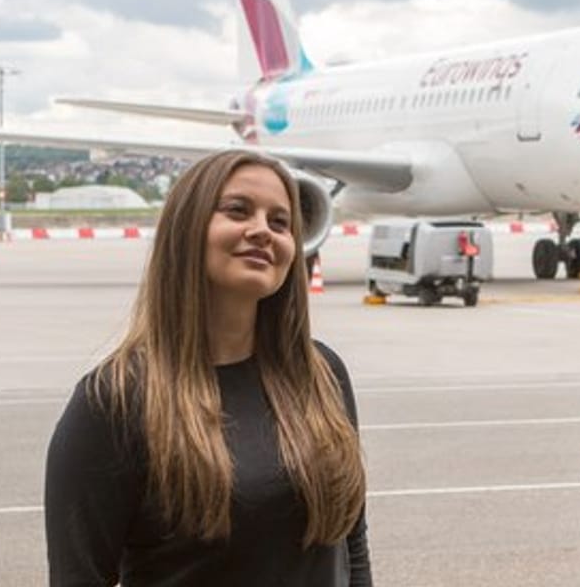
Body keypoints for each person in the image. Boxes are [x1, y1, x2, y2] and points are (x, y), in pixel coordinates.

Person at [45, 150, 371, 586]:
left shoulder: (322, 374)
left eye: (280, 222)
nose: (262, 231)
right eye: (238, 211)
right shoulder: (114, 400)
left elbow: (352, 547)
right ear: (187, 229)